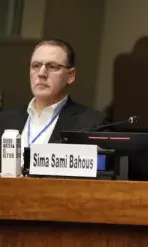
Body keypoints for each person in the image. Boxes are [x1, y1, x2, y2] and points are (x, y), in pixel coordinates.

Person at [0, 39, 109, 168]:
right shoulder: (4, 120)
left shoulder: (92, 125)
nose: (41, 73)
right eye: (35, 66)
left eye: (52, 66)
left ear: (71, 75)